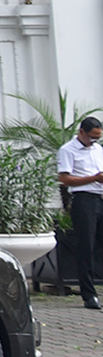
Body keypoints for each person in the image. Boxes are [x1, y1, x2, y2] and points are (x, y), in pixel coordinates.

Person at [57, 116, 103, 310]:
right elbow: (65, 179)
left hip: (101, 197)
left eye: (98, 138)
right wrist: (94, 178)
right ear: (82, 132)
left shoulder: (98, 150)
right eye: (92, 137)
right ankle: (89, 294)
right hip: (84, 199)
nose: (94, 141)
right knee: (87, 246)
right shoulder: (68, 150)